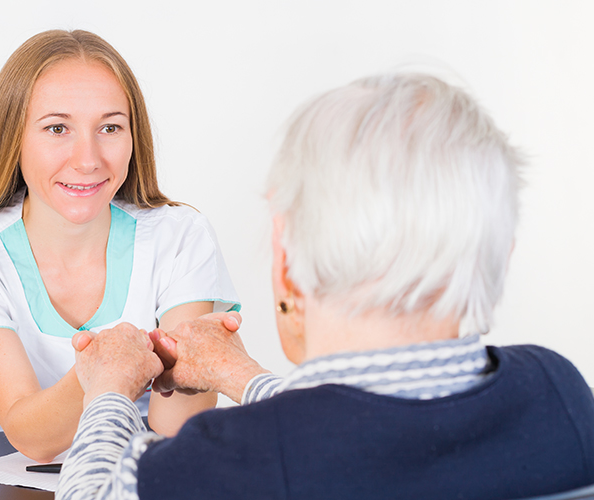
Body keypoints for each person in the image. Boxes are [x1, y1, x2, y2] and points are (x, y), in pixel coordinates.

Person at [57, 73, 594, 499]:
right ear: (502, 254)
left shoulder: (241, 456)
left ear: (287, 264)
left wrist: (110, 389)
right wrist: (236, 373)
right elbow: (375, 427)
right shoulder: (558, 393)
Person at [0, 30, 239, 462]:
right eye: (56, 128)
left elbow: (176, 426)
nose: (87, 159)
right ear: (12, 137)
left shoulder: (181, 235)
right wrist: (108, 370)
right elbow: (33, 438)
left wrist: (202, 366)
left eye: (110, 127)